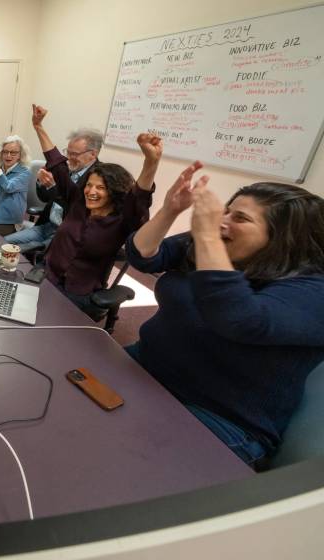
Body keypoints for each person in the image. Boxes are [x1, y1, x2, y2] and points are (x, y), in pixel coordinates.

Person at [125, 163, 324, 466]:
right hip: (148, 367)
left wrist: (207, 237)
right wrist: (169, 211)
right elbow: (142, 256)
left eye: (240, 218)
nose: (223, 222)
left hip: (220, 417)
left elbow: (238, 319)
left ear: (284, 239)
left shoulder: (312, 289)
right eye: (226, 211)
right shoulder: (214, 246)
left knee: (120, 463)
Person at [31, 104, 161, 318]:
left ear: (114, 191)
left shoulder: (122, 220)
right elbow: (56, 162)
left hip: (79, 294)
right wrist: (38, 126)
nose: (91, 192)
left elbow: (140, 198)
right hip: (47, 277)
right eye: (89, 185)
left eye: (100, 188)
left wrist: (151, 162)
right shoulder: (77, 202)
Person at [6, 128, 102, 254]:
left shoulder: (98, 178)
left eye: (75, 154)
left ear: (93, 154)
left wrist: (53, 189)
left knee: (28, 254)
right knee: (4, 242)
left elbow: (75, 207)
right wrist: (42, 183)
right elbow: (44, 198)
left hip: (65, 234)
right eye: (68, 152)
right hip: (46, 226)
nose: (69, 158)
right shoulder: (69, 168)